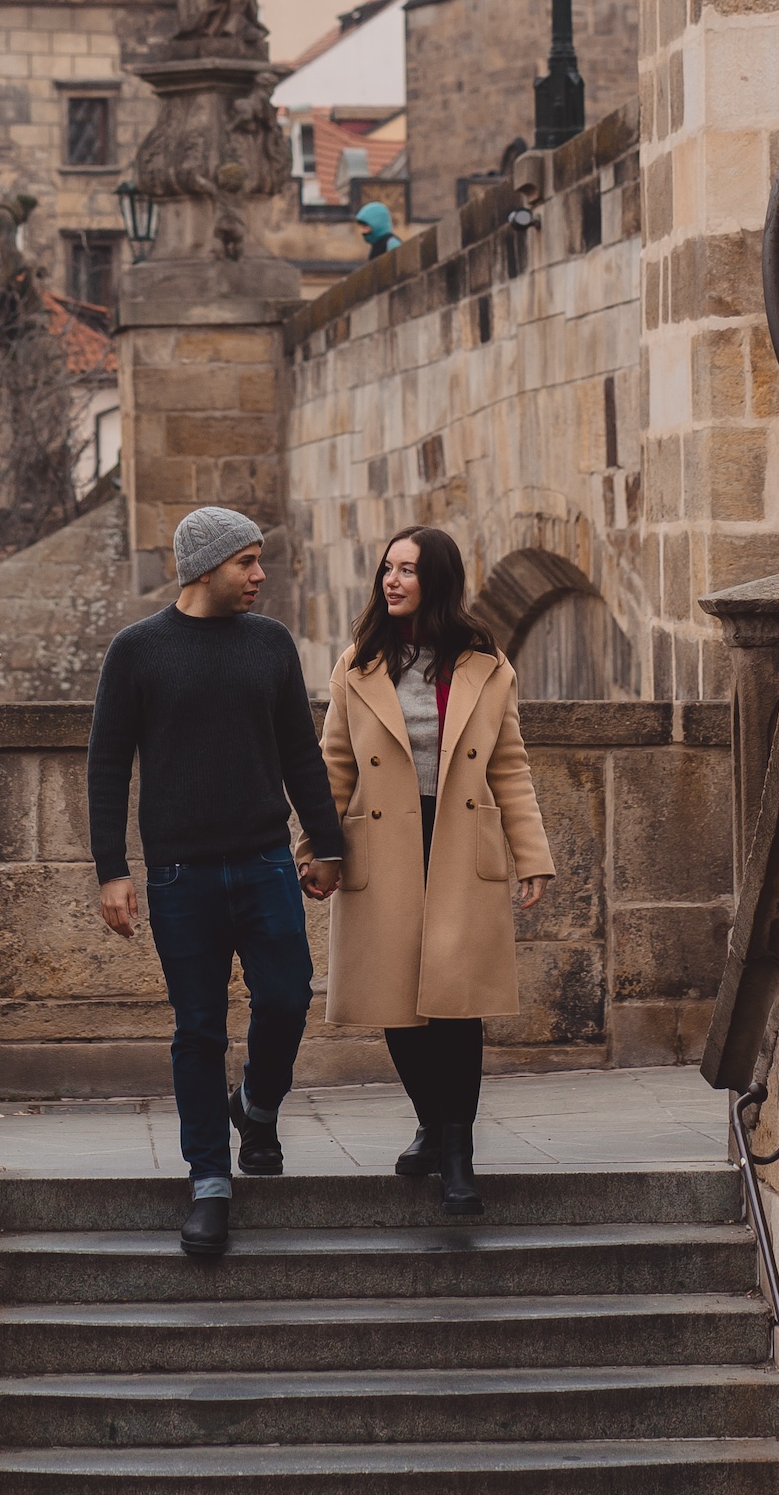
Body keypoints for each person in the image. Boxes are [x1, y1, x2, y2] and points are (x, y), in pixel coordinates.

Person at [88, 505, 345, 1260]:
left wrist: (327, 844)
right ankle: (209, 1180)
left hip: (265, 863)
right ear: (206, 569)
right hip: (179, 875)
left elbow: (301, 754)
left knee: (289, 998)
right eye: (247, 562)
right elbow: (107, 765)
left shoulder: (270, 644)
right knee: (198, 1029)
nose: (260, 574)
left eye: (258, 560)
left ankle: (257, 1106)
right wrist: (111, 870)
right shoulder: (137, 650)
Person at [300, 525, 553, 1218]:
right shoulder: (358, 664)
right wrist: (316, 849)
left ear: (436, 579)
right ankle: (432, 1123)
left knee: (455, 1002)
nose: (392, 580)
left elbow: (509, 764)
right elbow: (333, 765)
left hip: (458, 841)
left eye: (407, 569)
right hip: (381, 844)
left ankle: (457, 1151)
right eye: (387, 568)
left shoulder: (486, 664)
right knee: (395, 999)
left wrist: (531, 855)